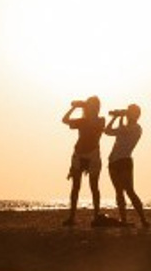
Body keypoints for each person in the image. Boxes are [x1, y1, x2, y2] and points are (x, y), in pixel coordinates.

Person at [62, 96, 106, 226]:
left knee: (94, 187)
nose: (92, 107)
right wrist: (75, 107)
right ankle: (72, 217)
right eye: (90, 105)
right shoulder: (83, 120)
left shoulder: (100, 120)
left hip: (93, 155)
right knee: (75, 187)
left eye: (94, 105)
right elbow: (65, 120)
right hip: (79, 154)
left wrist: (84, 107)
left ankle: (96, 216)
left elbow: (93, 124)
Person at [106, 104, 148, 229]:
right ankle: (123, 220)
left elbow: (122, 130)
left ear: (137, 115)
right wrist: (115, 117)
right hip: (113, 161)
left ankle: (143, 219)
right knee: (119, 192)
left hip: (124, 160)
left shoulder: (136, 128)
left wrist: (120, 116)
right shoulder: (125, 126)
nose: (128, 114)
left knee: (129, 190)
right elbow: (107, 131)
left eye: (131, 112)